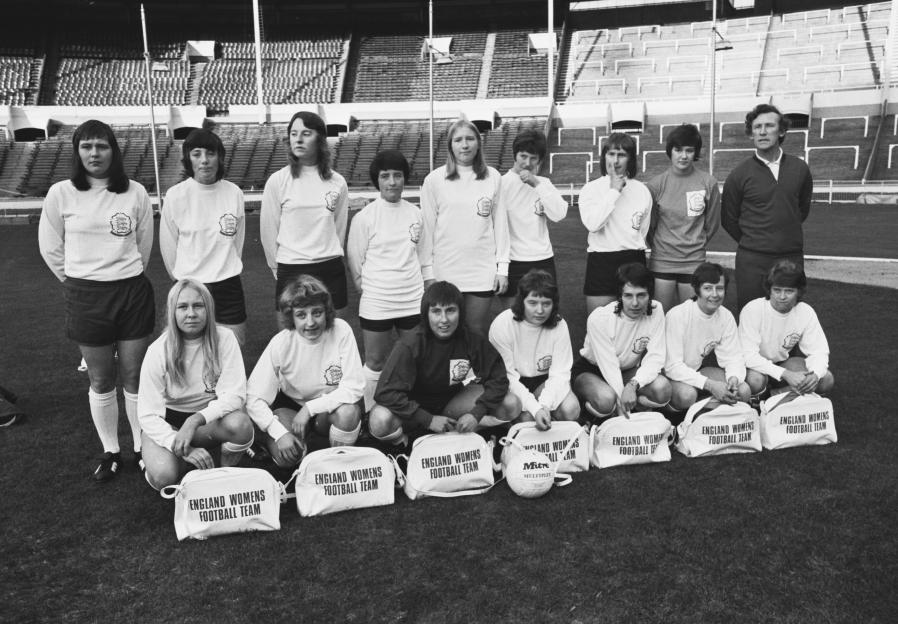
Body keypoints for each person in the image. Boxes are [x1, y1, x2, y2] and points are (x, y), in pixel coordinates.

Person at [38, 119, 154, 482]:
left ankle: (140, 447)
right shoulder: (61, 193)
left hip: (131, 292)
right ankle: (111, 450)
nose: (94, 153)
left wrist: (122, 274)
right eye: (86, 146)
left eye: (101, 146)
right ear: (77, 152)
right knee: (102, 380)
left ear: (113, 151)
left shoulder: (134, 191)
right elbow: (50, 246)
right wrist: (77, 281)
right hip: (86, 296)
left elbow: (143, 246)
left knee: (135, 376)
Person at [369, 281, 520, 452]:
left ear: (460, 312)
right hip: (413, 411)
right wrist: (427, 419)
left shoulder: (471, 340)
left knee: (511, 403)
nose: (444, 319)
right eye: (436, 311)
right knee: (379, 419)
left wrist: (476, 414)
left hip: (451, 405)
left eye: (450, 310)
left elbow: (498, 378)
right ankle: (404, 445)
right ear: (426, 314)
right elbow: (384, 392)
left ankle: (461, 431)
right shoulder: (410, 344)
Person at [138, 280, 254, 490]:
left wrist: (195, 420)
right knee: (164, 475)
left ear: (208, 309)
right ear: (172, 311)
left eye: (198, 306)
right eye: (183, 307)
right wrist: (181, 445)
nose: (191, 313)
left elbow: (235, 395)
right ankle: (155, 461)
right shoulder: (158, 350)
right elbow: (147, 414)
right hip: (170, 422)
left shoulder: (225, 338)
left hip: (206, 421)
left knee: (241, 425)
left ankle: (224, 471)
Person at [246, 275, 363, 468]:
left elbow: (354, 388)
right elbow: (254, 397)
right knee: (288, 458)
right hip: (291, 407)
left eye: (317, 313)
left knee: (349, 413)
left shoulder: (341, 331)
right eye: (301, 315)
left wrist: (309, 409)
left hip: (328, 410)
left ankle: (338, 464)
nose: (310, 323)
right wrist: (279, 433)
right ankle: (269, 441)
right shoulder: (281, 342)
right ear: (291, 317)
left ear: (327, 311)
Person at [346, 149, 425, 412]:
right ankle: (369, 412)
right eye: (385, 176)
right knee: (376, 361)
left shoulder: (416, 214)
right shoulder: (365, 217)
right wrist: (370, 290)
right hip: (378, 300)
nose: (392, 182)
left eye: (398, 175)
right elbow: (355, 261)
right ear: (377, 180)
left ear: (405, 178)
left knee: (413, 357)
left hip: (413, 300)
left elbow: (423, 256)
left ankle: (410, 409)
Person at [419, 119, 510, 335]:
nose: (465, 145)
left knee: (476, 330)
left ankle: (473, 370)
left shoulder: (493, 177)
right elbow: (427, 231)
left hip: (482, 270)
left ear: (478, 143)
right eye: (458, 140)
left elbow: (501, 226)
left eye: (470, 139)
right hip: (445, 270)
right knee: (446, 331)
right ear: (450, 145)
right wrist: (428, 273)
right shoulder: (434, 180)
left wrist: (502, 268)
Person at [160, 129, 247, 346]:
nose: (204, 160)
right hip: (191, 287)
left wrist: (224, 267)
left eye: (210, 153)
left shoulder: (234, 192)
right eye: (196, 154)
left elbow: (238, 242)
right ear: (188, 159)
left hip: (228, 286)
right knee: (188, 356)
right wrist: (184, 283)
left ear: (220, 157)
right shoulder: (175, 195)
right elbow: (169, 247)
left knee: (232, 353)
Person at [722, 103, 813, 311]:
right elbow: (728, 220)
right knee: (750, 315)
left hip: (791, 256)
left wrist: (784, 235)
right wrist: (756, 242)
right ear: (750, 133)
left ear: (781, 131)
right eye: (757, 127)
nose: (762, 131)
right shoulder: (738, 174)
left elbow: (801, 210)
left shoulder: (800, 169)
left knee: (790, 315)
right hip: (752, 260)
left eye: (769, 126)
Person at [260, 111, 350, 321]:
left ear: (320, 139)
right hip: (291, 269)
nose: (298, 139)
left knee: (335, 337)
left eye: (306, 133)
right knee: (291, 340)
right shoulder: (278, 181)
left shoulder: (338, 182)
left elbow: (338, 229)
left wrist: (327, 251)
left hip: (330, 268)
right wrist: (279, 268)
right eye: (293, 133)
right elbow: (268, 231)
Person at [572, 263, 670, 420]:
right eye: (628, 295)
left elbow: (656, 357)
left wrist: (633, 385)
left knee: (662, 388)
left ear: (650, 295)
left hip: (627, 371)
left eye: (641, 295)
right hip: (593, 370)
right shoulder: (600, 318)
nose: (635, 303)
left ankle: (637, 408)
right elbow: (609, 365)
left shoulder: (656, 310)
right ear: (620, 296)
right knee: (605, 399)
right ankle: (589, 418)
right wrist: (622, 398)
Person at [488, 270, 580, 431]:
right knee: (527, 419)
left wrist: (544, 405)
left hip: (543, 381)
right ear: (521, 301)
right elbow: (508, 377)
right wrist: (535, 409)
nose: (540, 310)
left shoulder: (559, 324)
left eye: (546, 303)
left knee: (571, 409)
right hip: (512, 383)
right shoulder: (502, 324)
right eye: (532, 303)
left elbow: (560, 373)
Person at [646, 124, 721, 313]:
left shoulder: (708, 182)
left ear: (695, 152)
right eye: (678, 150)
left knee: (691, 319)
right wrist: (663, 247)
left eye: (689, 150)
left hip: (694, 261)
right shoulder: (656, 185)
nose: (684, 155)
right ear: (670, 151)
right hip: (662, 260)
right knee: (661, 317)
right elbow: (650, 226)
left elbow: (711, 224)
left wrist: (695, 243)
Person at [739, 260, 834, 401]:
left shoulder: (805, 311)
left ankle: (774, 396)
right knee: (756, 380)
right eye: (777, 290)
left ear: (799, 292)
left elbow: (819, 351)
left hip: (781, 365)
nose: (782, 297)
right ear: (769, 289)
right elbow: (748, 356)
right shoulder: (753, 309)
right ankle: (759, 405)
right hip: (753, 368)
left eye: (789, 291)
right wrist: (786, 374)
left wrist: (815, 375)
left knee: (826, 379)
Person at [578, 132, 651, 315]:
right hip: (602, 261)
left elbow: (642, 231)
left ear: (630, 159)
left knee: (635, 326)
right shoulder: (591, 189)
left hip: (634, 259)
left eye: (622, 155)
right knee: (599, 324)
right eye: (611, 154)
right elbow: (593, 224)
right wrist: (614, 191)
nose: (615, 160)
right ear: (604, 157)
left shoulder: (642, 191)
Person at [664, 263, 750, 415]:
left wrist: (734, 378)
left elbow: (733, 357)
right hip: (669, 375)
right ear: (697, 290)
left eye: (720, 288)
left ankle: (709, 421)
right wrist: (710, 385)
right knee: (687, 395)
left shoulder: (726, 316)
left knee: (743, 390)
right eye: (708, 288)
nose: (715, 294)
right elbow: (672, 367)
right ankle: (674, 421)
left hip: (695, 371)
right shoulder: (678, 315)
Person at [499, 129, 568, 307]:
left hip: (543, 260)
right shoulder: (501, 184)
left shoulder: (544, 184)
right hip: (513, 261)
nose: (527, 163)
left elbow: (559, 214)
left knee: (545, 316)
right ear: (515, 155)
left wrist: (536, 184)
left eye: (533, 158)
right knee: (513, 317)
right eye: (523, 156)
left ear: (540, 160)